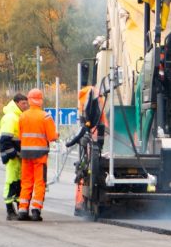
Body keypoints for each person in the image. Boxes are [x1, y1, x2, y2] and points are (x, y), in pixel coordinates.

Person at [17, 88, 58, 222]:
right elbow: (52, 137)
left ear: (29, 100)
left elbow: (20, 135)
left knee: (26, 182)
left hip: (25, 155)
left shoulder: (22, 116)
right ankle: (35, 210)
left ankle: (22, 210)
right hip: (40, 155)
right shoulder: (45, 117)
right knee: (39, 183)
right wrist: (57, 135)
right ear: (40, 101)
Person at [67, 84, 107, 215]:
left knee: (84, 167)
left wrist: (73, 140)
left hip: (92, 135)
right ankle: (81, 202)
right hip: (96, 134)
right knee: (86, 167)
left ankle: (80, 204)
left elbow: (87, 121)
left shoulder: (87, 97)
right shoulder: (95, 95)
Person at [0, 92, 29, 220]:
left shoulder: (18, 116)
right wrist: (13, 154)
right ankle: (10, 210)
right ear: (17, 103)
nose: (26, 106)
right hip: (13, 157)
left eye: (27, 103)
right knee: (11, 182)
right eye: (23, 103)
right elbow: (5, 139)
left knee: (18, 182)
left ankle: (19, 209)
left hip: (17, 157)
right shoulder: (11, 117)